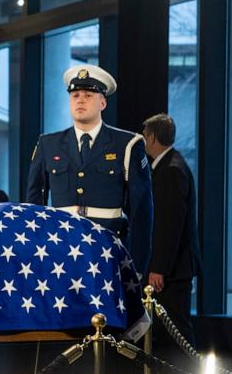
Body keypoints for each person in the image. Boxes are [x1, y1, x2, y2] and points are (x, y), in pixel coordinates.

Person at [25, 64, 153, 274]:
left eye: (88, 95)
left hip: (109, 249)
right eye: (75, 95)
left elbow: (141, 210)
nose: (80, 100)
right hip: (59, 250)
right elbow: (34, 201)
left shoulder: (127, 144)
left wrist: (137, 264)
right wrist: (36, 248)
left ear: (103, 102)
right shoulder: (48, 144)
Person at [141, 113, 201, 374]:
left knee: (177, 330)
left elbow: (169, 226)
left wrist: (158, 268)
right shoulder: (166, 165)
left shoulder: (171, 170)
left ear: (151, 137)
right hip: (172, 266)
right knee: (168, 330)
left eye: (144, 136)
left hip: (173, 269)